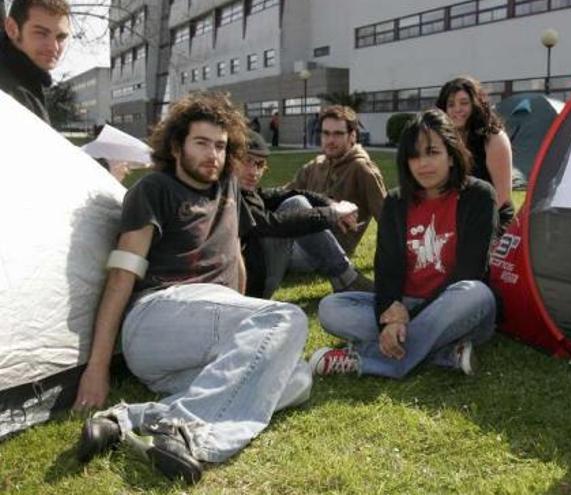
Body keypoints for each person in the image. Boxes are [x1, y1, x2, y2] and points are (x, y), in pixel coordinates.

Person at [73, 92, 312, 484]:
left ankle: (129, 419)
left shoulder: (228, 188)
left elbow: (233, 257)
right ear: (176, 145)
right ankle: (191, 435)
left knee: (297, 378)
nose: (213, 155)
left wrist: (242, 309)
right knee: (286, 317)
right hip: (156, 317)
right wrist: (97, 368)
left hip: (208, 329)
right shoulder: (153, 190)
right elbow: (121, 278)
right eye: (201, 143)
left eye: (220, 146)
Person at [312, 109, 497, 379]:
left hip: (454, 308)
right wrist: (391, 312)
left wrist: (403, 321)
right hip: (404, 304)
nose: (423, 164)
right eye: (414, 156)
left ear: (451, 154)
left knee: (476, 292)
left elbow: (470, 270)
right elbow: (386, 269)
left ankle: (369, 360)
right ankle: (443, 354)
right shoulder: (396, 202)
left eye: (432, 152)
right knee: (330, 308)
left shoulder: (479, 195)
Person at [238, 130, 373, 297]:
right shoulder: (229, 197)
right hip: (251, 289)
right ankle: (347, 279)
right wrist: (331, 213)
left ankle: (346, 278)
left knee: (296, 201)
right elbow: (272, 225)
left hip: (262, 263)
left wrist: (330, 203)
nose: (253, 172)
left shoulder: (246, 192)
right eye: (247, 161)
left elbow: (285, 193)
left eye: (259, 165)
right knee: (295, 207)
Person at [288, 105, 387, 255]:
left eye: (338, 134)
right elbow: (284, 195)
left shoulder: (361, 168)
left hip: (330, 251)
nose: (330, 140)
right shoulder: (316, 165)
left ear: (352, 136)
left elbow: (387, 219)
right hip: (300, 237)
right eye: (326, 133)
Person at [436, 76, 514, 236]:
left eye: (464, 103)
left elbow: (502, 196)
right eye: (450, 104)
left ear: (475, 104)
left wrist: (465, 226)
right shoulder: (443, 139)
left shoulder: (494, 138)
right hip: (456, 216)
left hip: (492, 216)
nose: (457, 109)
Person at [0, 0, 70, 123]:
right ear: (11, 29)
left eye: (60, 37)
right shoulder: (10, 92)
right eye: (41, 33)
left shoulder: (27, 84)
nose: (54, 47)